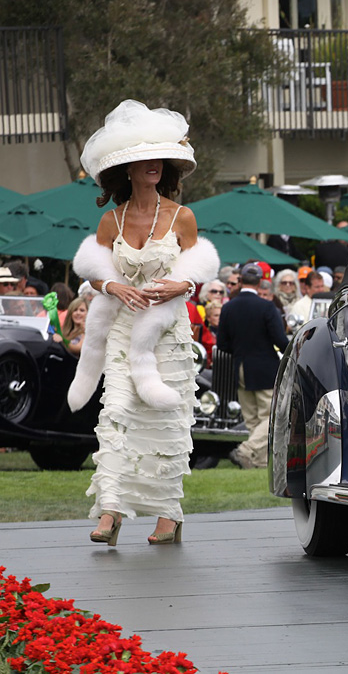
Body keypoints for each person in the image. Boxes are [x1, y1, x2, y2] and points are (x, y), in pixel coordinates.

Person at [70, 99, 220, 546]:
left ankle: (168, 515)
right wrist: (112, 287)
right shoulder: (109, 221)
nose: (153, 165)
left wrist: (182, 286)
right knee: (116, 412)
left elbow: (197, 271)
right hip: (119, 329)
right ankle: (110, 510)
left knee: (166, 423)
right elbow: (96, 270)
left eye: (159, 159)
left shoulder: (182, 217)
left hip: (167, 335)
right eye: (143, 160)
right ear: (127, 170)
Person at [217, 262, 290, 469]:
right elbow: (280, 340)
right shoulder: (267, 307)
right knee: (271, 417)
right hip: (265, 366)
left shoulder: (228, 307)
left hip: (240, 365)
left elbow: (222, 343)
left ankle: (256, 461)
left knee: (252, 419)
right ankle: (246, 451)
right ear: (260, 282)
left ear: (240, 281)